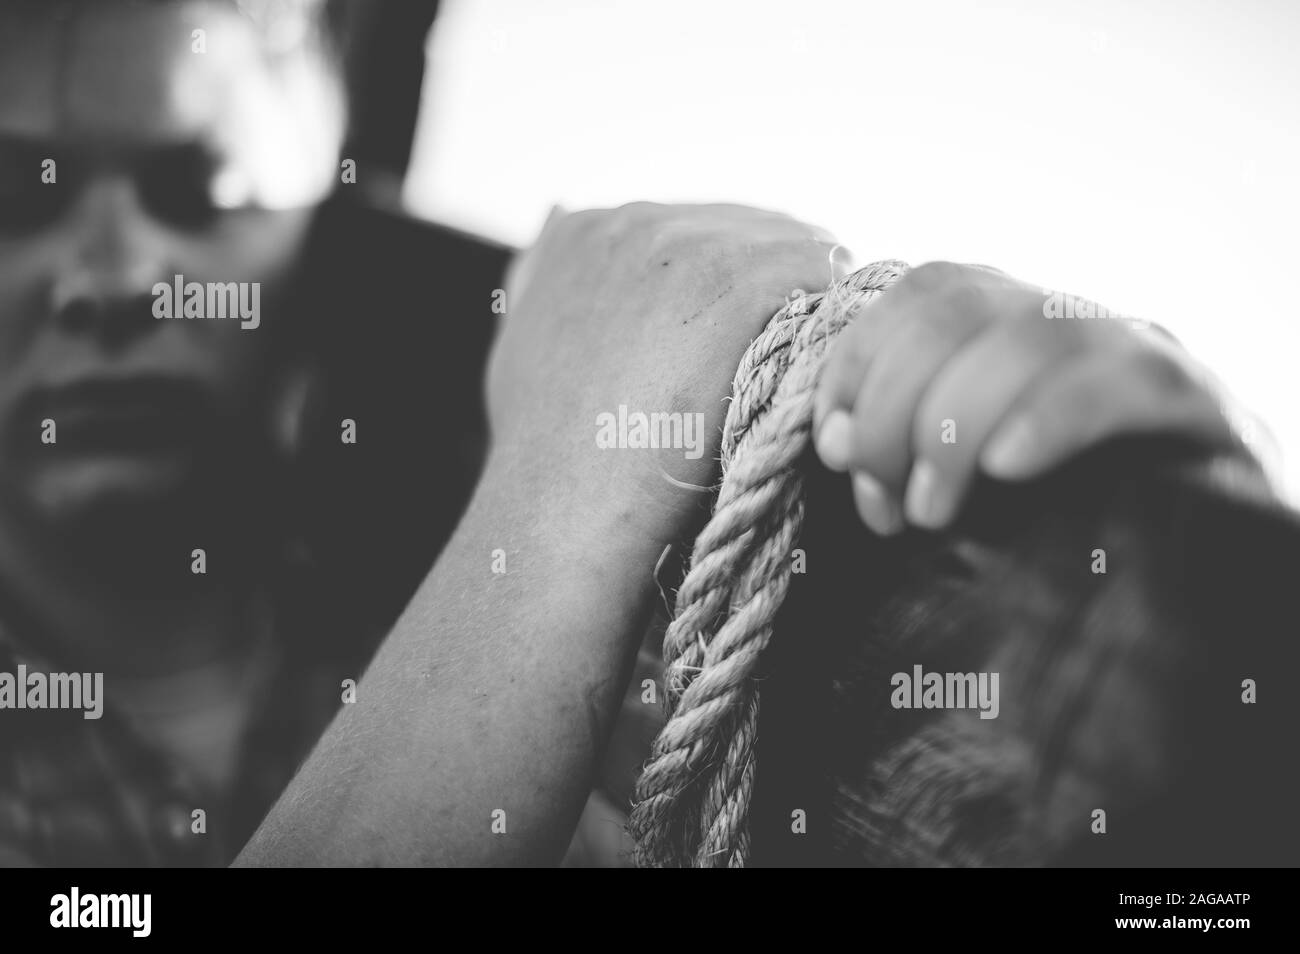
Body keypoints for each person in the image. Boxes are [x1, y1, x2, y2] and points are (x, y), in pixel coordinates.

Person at [0, 0, 1266, 867]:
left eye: (201, 188)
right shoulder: (515, 566)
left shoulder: (400, 593)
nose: (113, 275)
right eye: (17, 195)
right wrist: (561, 488)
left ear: (327, 194)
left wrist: (1123, 497)